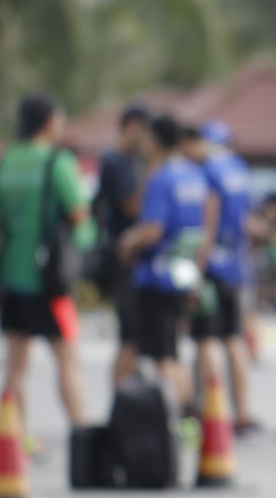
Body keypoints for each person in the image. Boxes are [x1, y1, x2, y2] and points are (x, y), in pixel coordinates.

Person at [0, 92, 92, 449]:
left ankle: (14, 442)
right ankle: (81, 436)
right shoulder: (57, 163)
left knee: (15, 365)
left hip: (11, 276)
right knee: (67, 359)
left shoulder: (3, 162)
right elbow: (79, 217)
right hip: (51, 281)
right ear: (48, 122)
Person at [117, 114, 214, 415]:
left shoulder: (161, 177)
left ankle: (174, 418)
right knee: (173, 350)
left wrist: (127, 241)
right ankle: (188, 414)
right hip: (181, 271)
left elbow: (152, 229)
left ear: (156, 140)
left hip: (156, 275)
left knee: (162, 357)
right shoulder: (194, 175)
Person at [184, 119, 258, 435]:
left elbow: (208, 226)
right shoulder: (238, 168)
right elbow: (247, 221)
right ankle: (243, 413)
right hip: (236, 265)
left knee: (206, 341)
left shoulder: (208, 172)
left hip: (213, 265)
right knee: (234, 340)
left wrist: (195, 272)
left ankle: (211, 411)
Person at [95, 104, 153, 386]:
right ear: (132, 127)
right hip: (122, 260)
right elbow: (131, 207)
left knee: (136, 338)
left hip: (130, 259)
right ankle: (122, 404)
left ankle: (128, 400)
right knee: (130, 337)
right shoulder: (115, 161)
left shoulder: (127, 161)